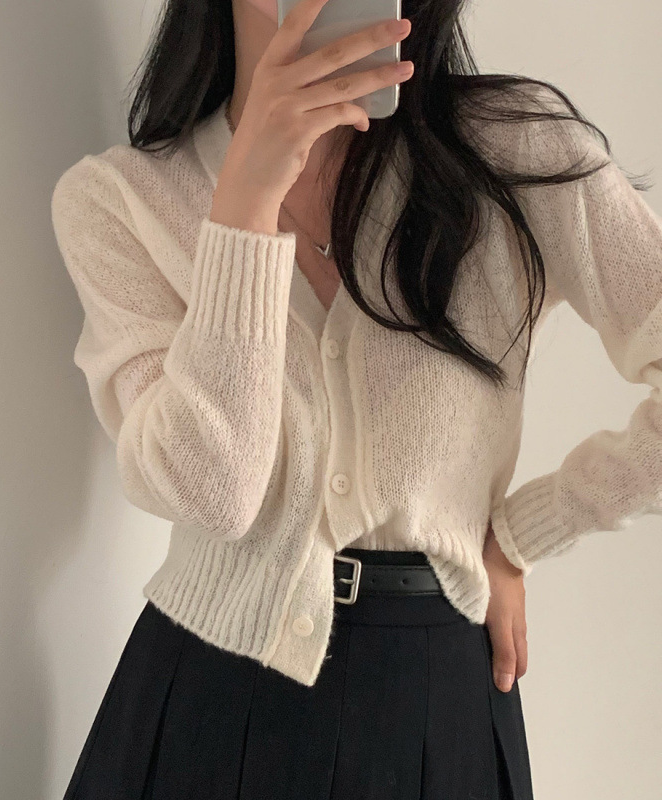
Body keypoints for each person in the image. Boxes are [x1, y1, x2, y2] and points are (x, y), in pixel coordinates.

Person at [50, 0, 662, 796]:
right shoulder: (119, 200)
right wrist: (244, 210)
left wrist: (527, 532)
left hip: (437, 700)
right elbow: (215, 494)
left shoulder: (516, 153)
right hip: (205, 702)